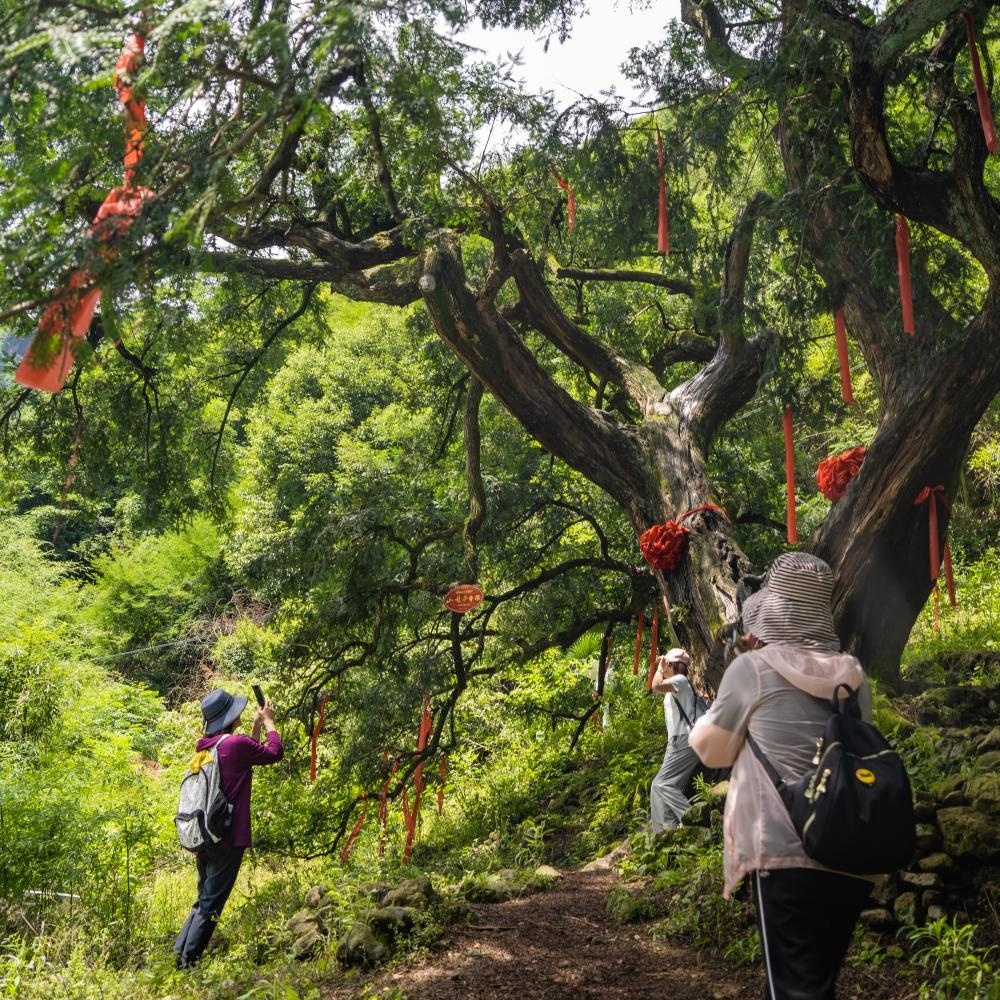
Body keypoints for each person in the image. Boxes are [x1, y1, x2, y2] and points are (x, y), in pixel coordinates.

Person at [690, 552, 874, 1000]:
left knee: (791, 989)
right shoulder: (853, 675)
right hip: (848, 847)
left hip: (782, 847)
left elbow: (710, 748)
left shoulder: (750, 669)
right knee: (816, 982)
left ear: (773, 614)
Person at [174, 688, 284, 968]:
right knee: (212, 903)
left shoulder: (208, 747)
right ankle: (188, 963)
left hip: (206, 836)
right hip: (228, 838)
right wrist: (270, 723)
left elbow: (249, 757)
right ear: (230, 716)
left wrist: (257, 726)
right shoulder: (234, 746)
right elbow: (274, 752)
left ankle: (179, 956)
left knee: (203, 898)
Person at [648, 647, 701, 832]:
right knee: (658, 788)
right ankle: (664, 832)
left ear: (677, 665)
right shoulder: (677, 685)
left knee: (662, 784)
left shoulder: (680, 680)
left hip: (684, 740)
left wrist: (660, 669)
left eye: (669, 663)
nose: (665, 666)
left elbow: (654, 686)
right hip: (677, 742)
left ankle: (694, 819)